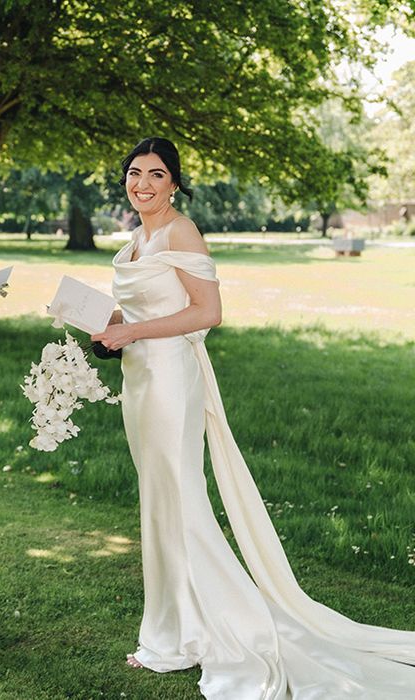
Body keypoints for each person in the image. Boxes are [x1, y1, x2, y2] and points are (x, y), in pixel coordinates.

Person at [91, 137, 415, 698]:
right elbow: (150, 308)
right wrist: (105, 323)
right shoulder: (139, 236)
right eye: (134, 173)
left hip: (171, 379)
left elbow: (208, 312)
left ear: (175, 183)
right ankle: (173, 634)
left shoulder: (180, 231)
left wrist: (132, 330)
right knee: (159, 502)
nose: (141, 183)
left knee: (182, 502)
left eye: (156, 175)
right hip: (141, 378)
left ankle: (218, 631)